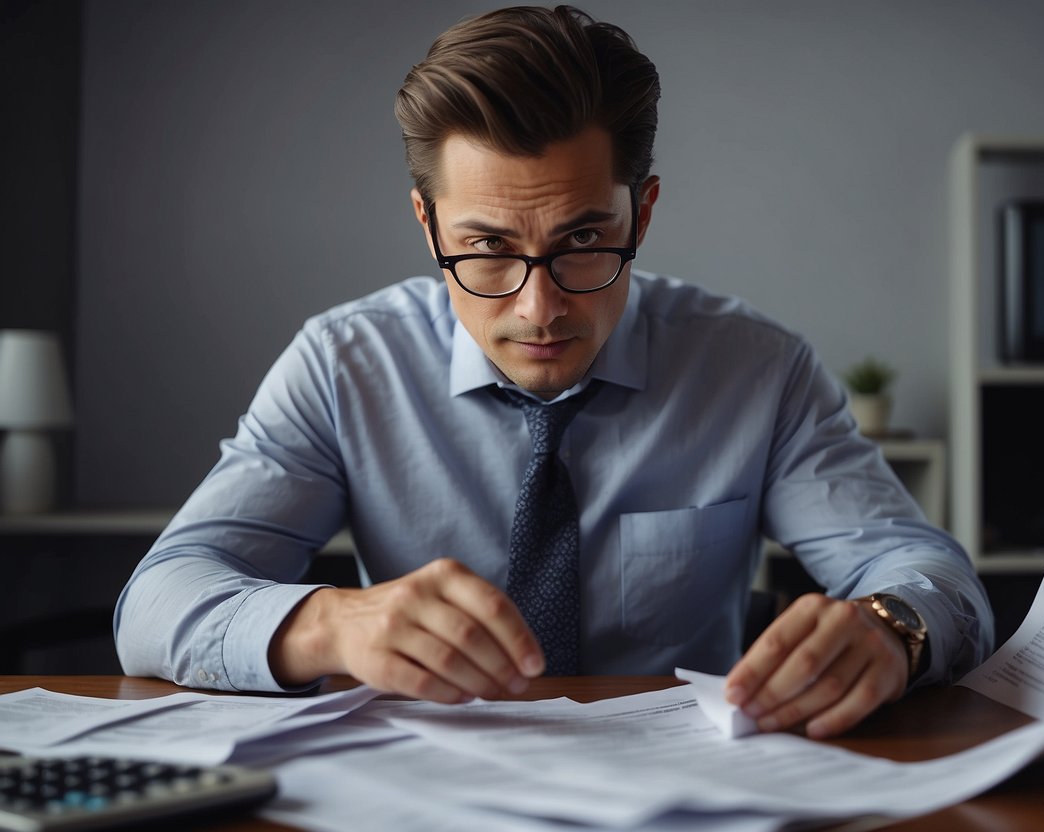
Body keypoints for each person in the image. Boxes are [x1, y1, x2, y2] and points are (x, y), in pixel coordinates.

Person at [114, 4, 993, 739]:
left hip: (697, 792)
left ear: (640, 213)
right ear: (428, 227)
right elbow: (156, 603)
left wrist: (891, 629)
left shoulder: (756, 370)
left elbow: (928, 574)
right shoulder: (345, 365)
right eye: (486, 250)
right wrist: (328, 621)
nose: (539, 309)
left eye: (581, 242)